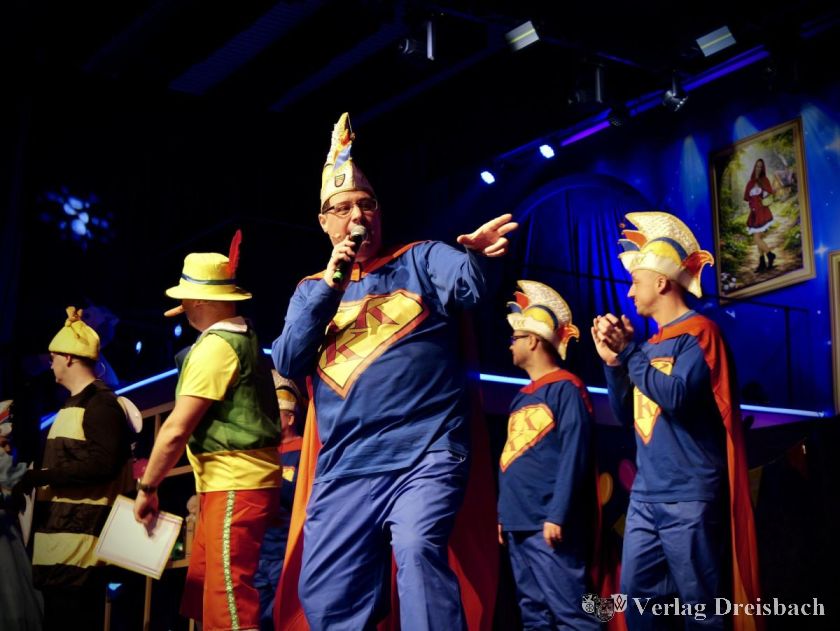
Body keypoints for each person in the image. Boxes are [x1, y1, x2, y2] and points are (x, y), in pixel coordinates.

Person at [272, 112, 516, 630]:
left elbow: (470, 286)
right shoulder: (311, 289)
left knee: (419, 549)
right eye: (343, 208)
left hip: (426, 451)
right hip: (345, 466)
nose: (358, 216)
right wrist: (332, 286)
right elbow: (290, 361)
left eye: (367, 204)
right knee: (327, 594)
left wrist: (478, 258)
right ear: (324, 222)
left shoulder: (420, 259)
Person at [591, 212, 761, 631]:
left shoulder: (699, 333)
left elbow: (677, 397)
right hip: (646, 496)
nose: (630, 291)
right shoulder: (648, 346)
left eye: (636, 281)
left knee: (701, 608)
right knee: (638, 604)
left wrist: (630, 354)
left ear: (662, 282)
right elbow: (628, 415)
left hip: (689, 495)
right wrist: (614, 365)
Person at [133, 239, 281, 631]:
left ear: (196, 300)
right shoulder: (242, 335)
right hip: (229, 483)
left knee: (228, 601)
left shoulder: (216, 347)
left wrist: (148, 487)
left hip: (235, 483)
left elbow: (175, 430)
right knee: (207, 592)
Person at [19, 307, 134, 630]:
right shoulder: (75, 404)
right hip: (62, 545)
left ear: (68, 358)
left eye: (54, 357)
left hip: (80, 550)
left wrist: (40, 477)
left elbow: (102, 464)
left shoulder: (100, 403)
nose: (50, 363)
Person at [498, 281, 600, 630]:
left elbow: (575, 454)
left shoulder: (566, 388)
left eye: (515, 338)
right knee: (533, 614)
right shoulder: (521, 396)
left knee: (575, 613)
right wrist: (504, 515)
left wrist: (558, 514)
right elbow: (512, 457)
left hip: (548, 522)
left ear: (533, 340)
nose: (510, 344)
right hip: (518, 522)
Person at [254, 371, 303, 631]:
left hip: (288, 552)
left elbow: (301, 497)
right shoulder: (263, 453)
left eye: (276, 412)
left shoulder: (305, 450)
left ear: (291, 417)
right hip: (260, 552)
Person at [743, 158, 775, 272]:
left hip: (762, 211)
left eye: (761, 167)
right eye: (757, 166)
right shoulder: (750, 182)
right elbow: (747, 197)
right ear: (754, 167)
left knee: (756, 238)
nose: (758, 168)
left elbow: (768, 194)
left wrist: (762, 190)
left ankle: (770, 255)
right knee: (758, 238)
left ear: (763, 168)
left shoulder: (764, 180)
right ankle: (762, 263)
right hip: (754, 213)